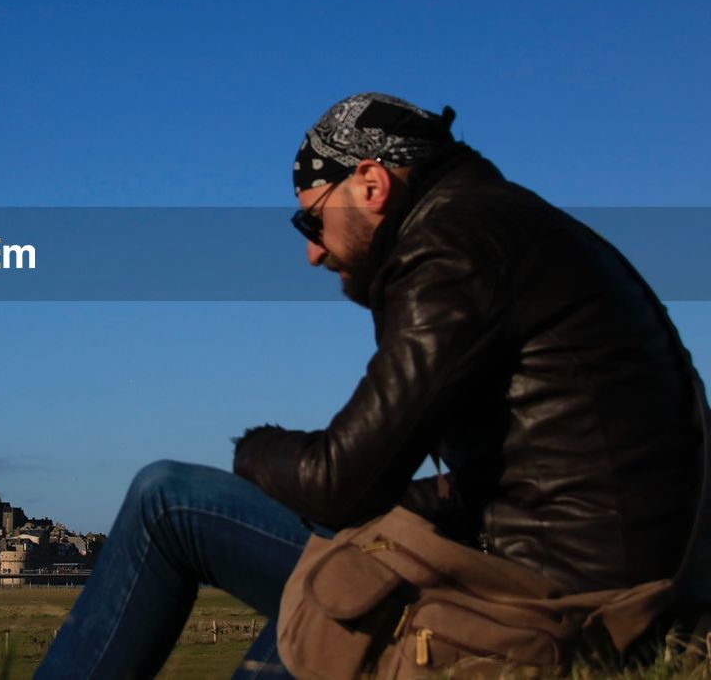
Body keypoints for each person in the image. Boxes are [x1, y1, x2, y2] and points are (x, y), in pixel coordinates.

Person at [34, 92, 708, 679]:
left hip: (560, 605)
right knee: (338, 572)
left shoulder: (452, 247)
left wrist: (252, 451)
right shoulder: (510, 225)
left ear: (371, 183)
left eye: (311, 219)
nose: (312, 250)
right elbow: (528, 473)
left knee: (167, 499)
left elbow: (342, 479)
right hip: (619, 585)